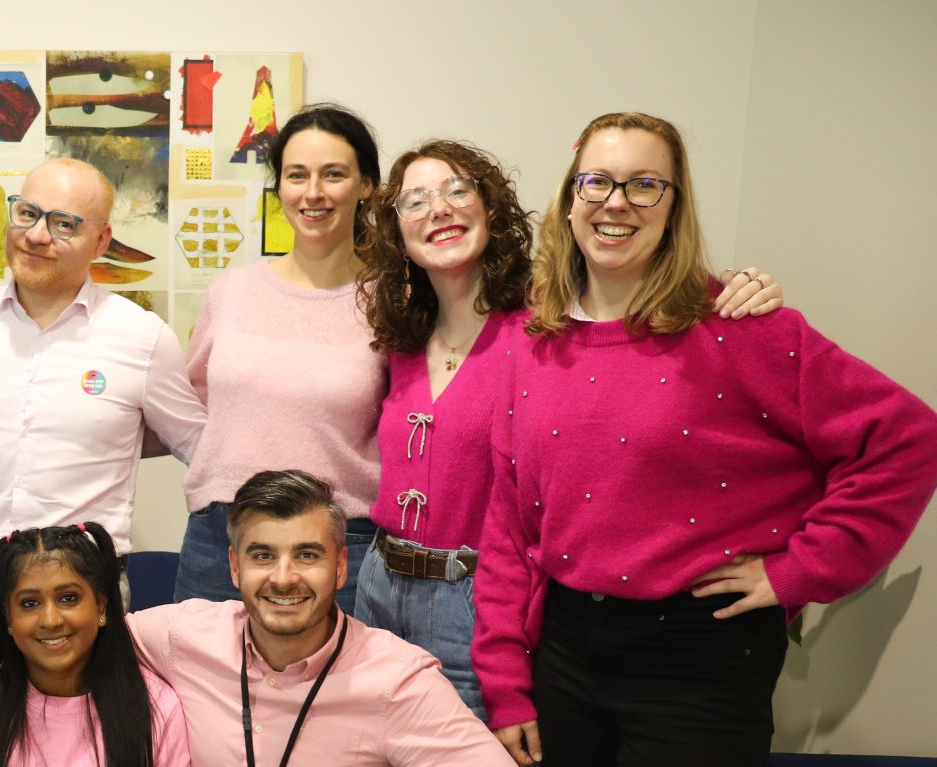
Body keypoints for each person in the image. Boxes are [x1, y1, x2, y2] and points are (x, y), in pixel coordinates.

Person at [473, 112, 937, 767]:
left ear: (675, 206)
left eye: (645, 185)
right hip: (565, 647)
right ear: (570, 199)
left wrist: (801, 569)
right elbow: (508, 527)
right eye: (597, 181)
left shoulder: (739, 326)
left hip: (700, 653)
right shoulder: (532, 343)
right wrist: (505, 684)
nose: (616, 202)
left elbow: (907, 438)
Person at [351, 139, 784, 718]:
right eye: (415, 200)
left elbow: (656, 333)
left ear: (493, 209)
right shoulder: (401, 337)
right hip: (378, 589)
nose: (440, 208)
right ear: (395, 230)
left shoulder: (550, 329)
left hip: (479, 606)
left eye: (459, 190)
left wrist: (735, 288)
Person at [0, 471, 510, 767]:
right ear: (233, 566)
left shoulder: (396, 680)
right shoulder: (188, 635)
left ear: (341, 566)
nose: (283, 578)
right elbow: (70, 627)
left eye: (306, 555)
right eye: (263, 556)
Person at [0, 158, 203, 649]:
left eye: (64, 224)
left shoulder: (142, 338)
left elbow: (202, 450)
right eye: (27, 213)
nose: (37, 235)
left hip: (82, 597)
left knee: (83, 727)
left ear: (101, 241)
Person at [172, 105, 387, 611]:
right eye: (297, 175)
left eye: (333, 174)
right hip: (220, 538)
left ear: (366, 187)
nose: (313, 193)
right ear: (280, 187)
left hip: (338, 546)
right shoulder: (233, 290)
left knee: (330, 691)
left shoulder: (393, 301)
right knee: (201, 689)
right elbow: (194, 407)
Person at [0, 523, 189, 767]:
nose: (50, 620)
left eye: (69, 598)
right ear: (7, 617)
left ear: (101, 605)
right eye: (29, 603)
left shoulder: (155, 707)